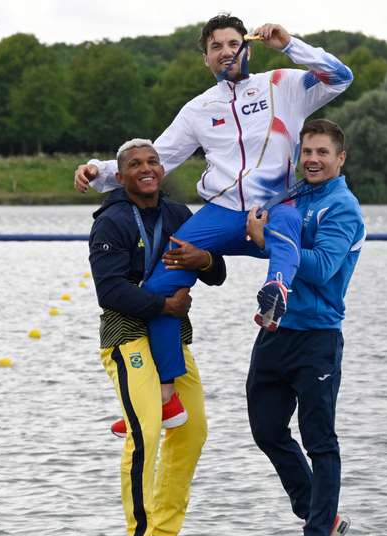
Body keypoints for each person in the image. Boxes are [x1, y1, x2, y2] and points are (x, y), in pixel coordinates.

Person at [75, 14, 354, 408]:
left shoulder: (282, 85)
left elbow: (340, 76)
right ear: (206, 59)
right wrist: (99, 171)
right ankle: (168, 390)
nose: (226, 52)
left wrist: (291, 46)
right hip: (222, 214)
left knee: (290, 221)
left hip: (273, 208)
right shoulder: (198, 109)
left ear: (247, 47)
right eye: (216, 47)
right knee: (158, 288)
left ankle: (275, 293)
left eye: (232, 43)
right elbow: (158, 158)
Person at [89, 139, 227, 536]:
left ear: (162, 169)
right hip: (127, 337)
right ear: (121, 173)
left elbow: (217, 273)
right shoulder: (110, 222)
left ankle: (166, 532)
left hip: (173, 339)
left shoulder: (178, 215)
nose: (146, 169)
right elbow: (109, 292)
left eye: (152, 162)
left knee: (194, 430)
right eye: (134, 164)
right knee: (145, 434)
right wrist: (163, 307)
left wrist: (203, 258)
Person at [245, 119, 366, 536]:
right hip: (275, 331)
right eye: (307, 151)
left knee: (319, 440)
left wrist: (271, 239)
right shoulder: (293, 196)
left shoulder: (343, 208)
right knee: (266, 429)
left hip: (317, 336)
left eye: (322, 152)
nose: (312, 159)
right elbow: (279, 253)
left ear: (340, 158)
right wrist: (258, 239)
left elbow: (316, 267)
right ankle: (323, 515)